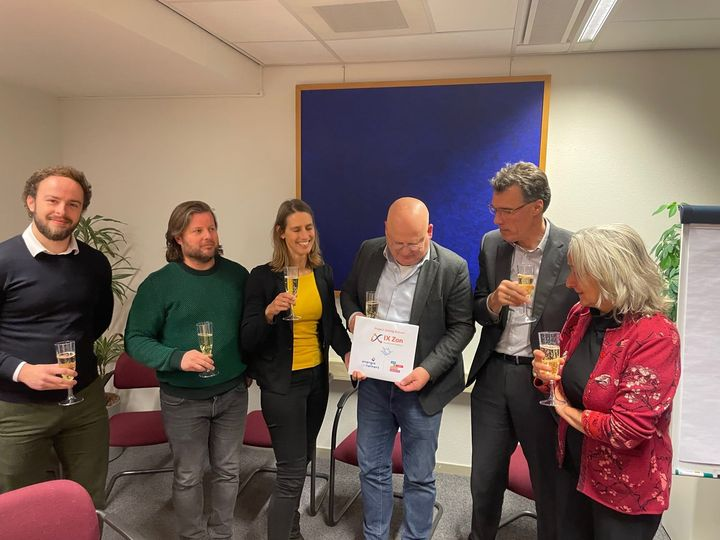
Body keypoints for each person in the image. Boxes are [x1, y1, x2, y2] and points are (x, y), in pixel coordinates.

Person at [532, 224, 680, 540]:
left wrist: (563, 409)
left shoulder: (656, 336)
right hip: (574, 470)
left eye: (577, 272)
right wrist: (546, 377)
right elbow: (563, 372)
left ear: (608, 273)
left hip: (625, 490)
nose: (569, 282)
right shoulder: (582, 313)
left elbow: (626, 430)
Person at [341, 197, 475, 540]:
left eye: (414, 243)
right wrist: (354, 319)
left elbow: (462, 327)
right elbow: (349, 296)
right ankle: (375, 534)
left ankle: (415, 536)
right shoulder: (369, 251)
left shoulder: (452, 267)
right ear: (386, 230)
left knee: (419, 474)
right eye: (397, 242)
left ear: (429, 231)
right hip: (374, 381)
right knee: (372, 467)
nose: (404, 251)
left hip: (421, 385)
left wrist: (427, 371)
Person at [124, 201, 249, 540]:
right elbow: (135, 340)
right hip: (183, 400)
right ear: (178, 237)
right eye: (198, 231)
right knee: (188, 476)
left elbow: (249, 328)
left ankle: (221, 534)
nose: (208, 236)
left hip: (232, 394)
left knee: (228, 471)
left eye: (212, 228)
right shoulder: (158, 284)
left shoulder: (238, 276)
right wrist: (177, 358)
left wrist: (249, 366)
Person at [467, 162, 578, 540]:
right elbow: (477, 307)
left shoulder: (573, 249)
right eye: (494, 209)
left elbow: (585, 316)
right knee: (484, 477)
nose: (497, 219)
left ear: (536, 207)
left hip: (541, 380)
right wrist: (494, 302)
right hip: (493, 374)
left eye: (507, 210)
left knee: (548, 480)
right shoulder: (491, 244)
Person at [0, 165, 113, 507]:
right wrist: (22, 370)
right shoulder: (4, 260)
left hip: (84, 402)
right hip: (18, 409)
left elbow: (97, 321)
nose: (62, 211)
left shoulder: (95, 263)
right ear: (30, 201)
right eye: (52, 200)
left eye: (73, 204)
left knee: (89, 500)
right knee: (20, 507)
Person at [241, 199, 352, 540]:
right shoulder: (262, 277)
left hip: (316, 381)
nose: (305, 235)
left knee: (301, 462)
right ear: (281, 233)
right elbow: (247, 337)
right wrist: (269, 313)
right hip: (282, 385)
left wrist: (351, 354)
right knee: (290, 473)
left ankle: (291, 530)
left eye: (308, 228)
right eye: (296, 229)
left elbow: (332, 325)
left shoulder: (322, 272)